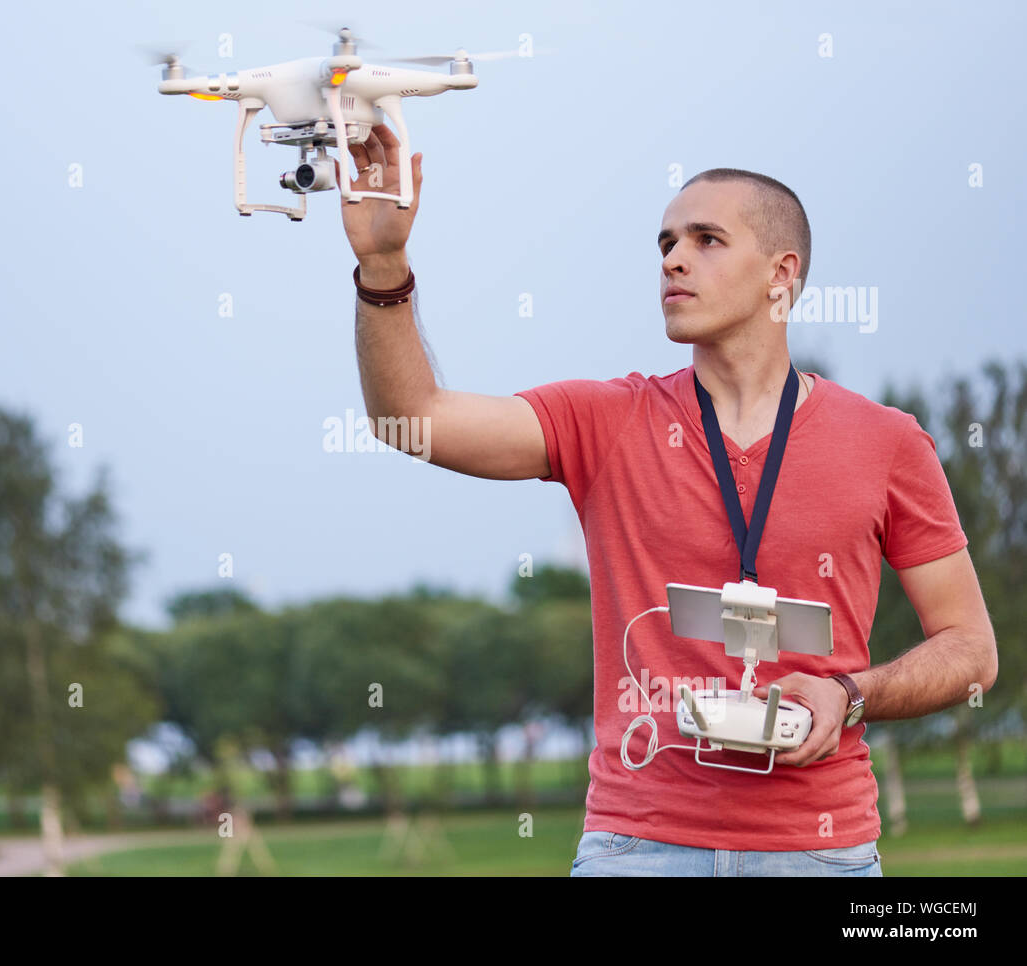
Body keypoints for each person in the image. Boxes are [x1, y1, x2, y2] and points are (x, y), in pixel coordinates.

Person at [335, 125, 998, 877]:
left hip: (820, 851)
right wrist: (382, 265)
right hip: (637, 849)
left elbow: (971, 651)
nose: (673, 260)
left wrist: (850, 693)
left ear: (782, 274)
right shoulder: (607, 421)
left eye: (707, 239)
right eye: (666, 243)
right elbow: (412, 420)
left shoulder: (887, 443)